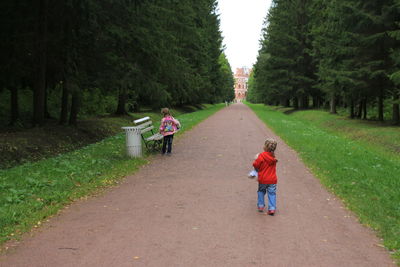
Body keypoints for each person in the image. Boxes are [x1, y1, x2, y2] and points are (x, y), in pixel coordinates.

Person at [252, 138, 278, 215]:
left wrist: (256, 159)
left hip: (263, 179)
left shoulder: (261, 156)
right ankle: (272, 208)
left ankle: (260, 205)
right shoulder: (273, 157)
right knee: (272, 193)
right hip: (272, 180)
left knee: (261, 191)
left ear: (265, 146)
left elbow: (256, 165)